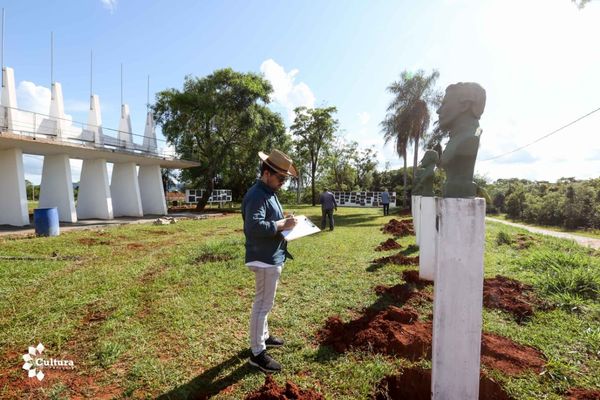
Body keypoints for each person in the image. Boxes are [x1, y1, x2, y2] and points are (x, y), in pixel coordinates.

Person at [241, 149, 298, 373]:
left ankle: (264, 336)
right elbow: (253, 227)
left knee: (265, 303)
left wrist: (285, 221)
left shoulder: (268, 192)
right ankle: (257, 353)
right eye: (281, 178)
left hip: (270, 255)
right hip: (264, 258)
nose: (283, 183)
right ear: (266, 173)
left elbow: (268, 220)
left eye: (285, 179)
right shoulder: (257, 194)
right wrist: (282, 225)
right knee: (262, 305)